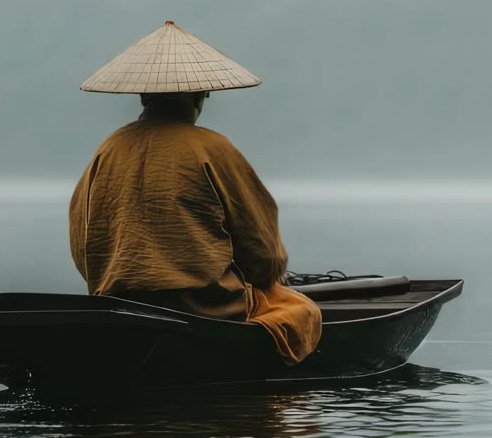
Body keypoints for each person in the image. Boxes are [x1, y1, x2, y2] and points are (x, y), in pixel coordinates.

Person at [69, 21, 320, 364]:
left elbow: (83, 243)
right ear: (197, 97)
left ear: (144, 97)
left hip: (121, 302)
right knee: (301, 310)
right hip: (206, 307)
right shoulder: (212, 149)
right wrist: (265, 279)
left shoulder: (108, 149)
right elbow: (261, 247)